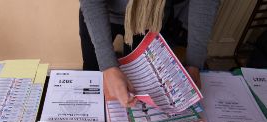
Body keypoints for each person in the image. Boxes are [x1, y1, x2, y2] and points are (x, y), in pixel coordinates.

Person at [79, 0, 220, 107]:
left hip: (151, 19)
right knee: (94, 79)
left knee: (140, 87)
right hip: (99, 14)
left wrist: (195, 61)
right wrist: (108, 65)